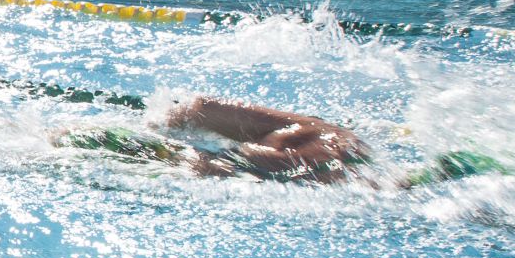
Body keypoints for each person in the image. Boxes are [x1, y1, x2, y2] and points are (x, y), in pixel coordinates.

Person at [57, 96, 375, 184]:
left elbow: (217, 159)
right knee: (200, 113)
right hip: (340, 155)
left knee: (210, 159)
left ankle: (164, 142)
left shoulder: (291, 142)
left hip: (325, 162)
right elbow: (201, 109)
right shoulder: (306, 130)